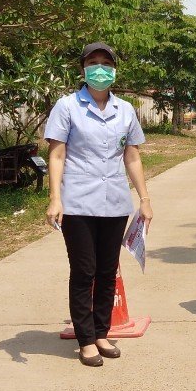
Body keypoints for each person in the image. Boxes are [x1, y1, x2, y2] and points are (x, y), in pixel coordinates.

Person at [44, 42, 154, 367]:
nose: (100, 68)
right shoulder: (67, 106)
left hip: (115, 203)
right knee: (84, 271)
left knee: (107, 271)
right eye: (93, 62)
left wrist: (144, 199)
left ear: (115, 70)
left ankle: (102, 332)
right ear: (83, 69)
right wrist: (54, 198)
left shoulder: (126, 110)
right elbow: (57, 155)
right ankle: (86, 339)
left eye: (106, 62)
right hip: (77, 204)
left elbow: (132, 156)